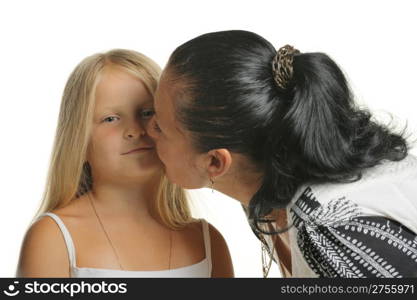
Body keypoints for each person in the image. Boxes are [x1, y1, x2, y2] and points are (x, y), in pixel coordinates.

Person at [147, 30, 417, 277]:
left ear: (216, 162)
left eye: (160, 125)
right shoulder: (270, 188)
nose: (147, 129)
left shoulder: (332, 231)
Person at [16, 49, 233, 278]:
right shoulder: (53, 239)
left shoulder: (207, 241)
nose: (135, 130)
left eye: (147, 112)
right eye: (110, 119)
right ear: (78, 139)